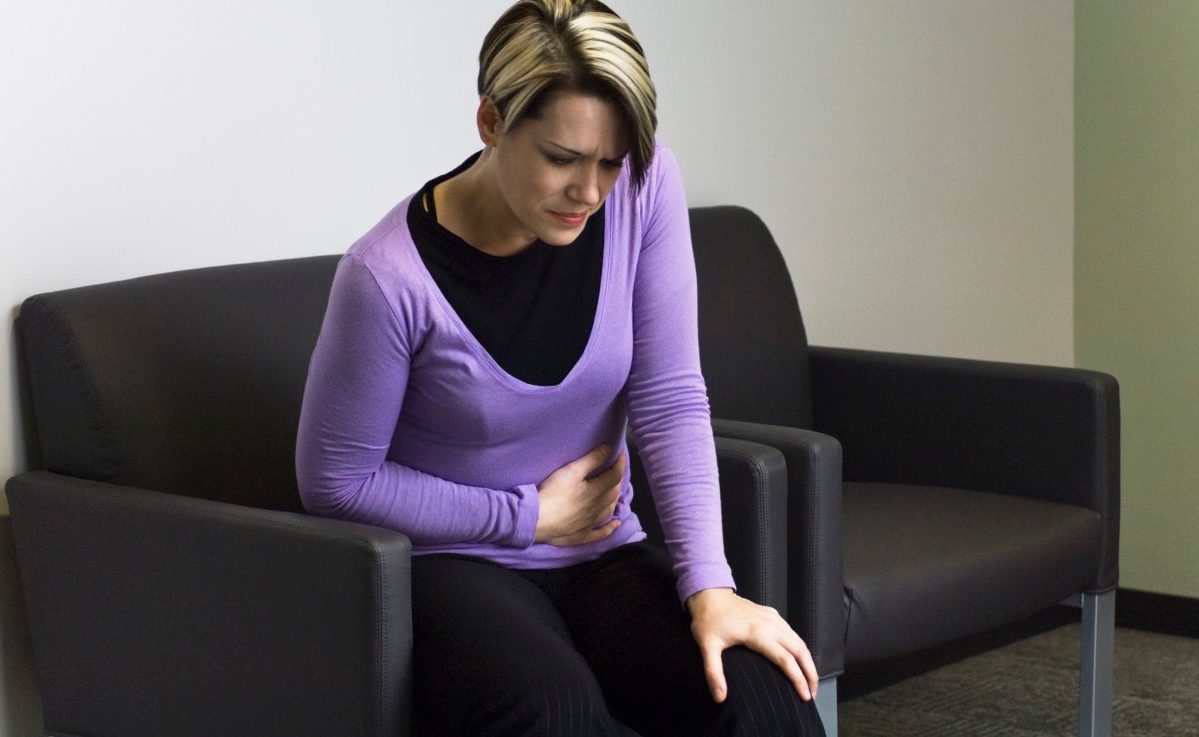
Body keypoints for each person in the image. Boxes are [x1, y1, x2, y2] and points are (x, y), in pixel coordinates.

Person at [295, 1, 826, 735]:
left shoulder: (644, 185)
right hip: (453, 564)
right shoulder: (385, 278)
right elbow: (335, 481)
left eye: (610, 161)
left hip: (603, 549)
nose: (591, 191)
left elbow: (669, 395)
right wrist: (527, 516)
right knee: (556, 713)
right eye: (562, 158)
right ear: (490, 122)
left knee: (759, 698)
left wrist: (710, 584)